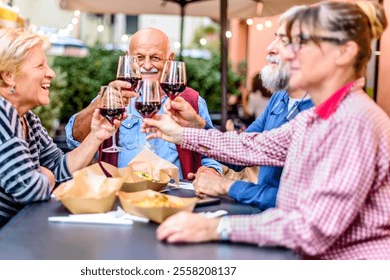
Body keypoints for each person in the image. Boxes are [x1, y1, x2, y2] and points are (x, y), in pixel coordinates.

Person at [145, 1, 390, 259]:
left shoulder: (351, 121)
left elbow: (311, 230)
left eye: (300, 43)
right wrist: (179, 133)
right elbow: (255, 146)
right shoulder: (325, 114)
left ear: (344, 52)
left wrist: (216, 227)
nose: (286, 53)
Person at [0, 28, 116, 260]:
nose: (51, 73)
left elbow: (58, 168)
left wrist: (95, 136)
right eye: (40, 66)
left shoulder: (25, 117)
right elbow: (28, 189)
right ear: (9, 76)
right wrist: (44, 176)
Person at [191, 6, 314, 211]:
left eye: (283, 41)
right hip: (263, 217)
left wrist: (225, 186)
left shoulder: (324, 113)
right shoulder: (279, 98)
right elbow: (242, 152)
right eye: (275, 37)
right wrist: (198, 125)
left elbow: (298, 203)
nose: (270, 48)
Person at [64, 27, 222, 179]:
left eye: (155, 58)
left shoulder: (191, 102)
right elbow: (74, 140)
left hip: (175, 197)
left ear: (170, 59)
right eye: (139, 57)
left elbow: (211, 154)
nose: (147, 65)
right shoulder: (113, 97)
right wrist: (99, 103)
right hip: (122, 196)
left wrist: (210, 171)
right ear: (128, 58)